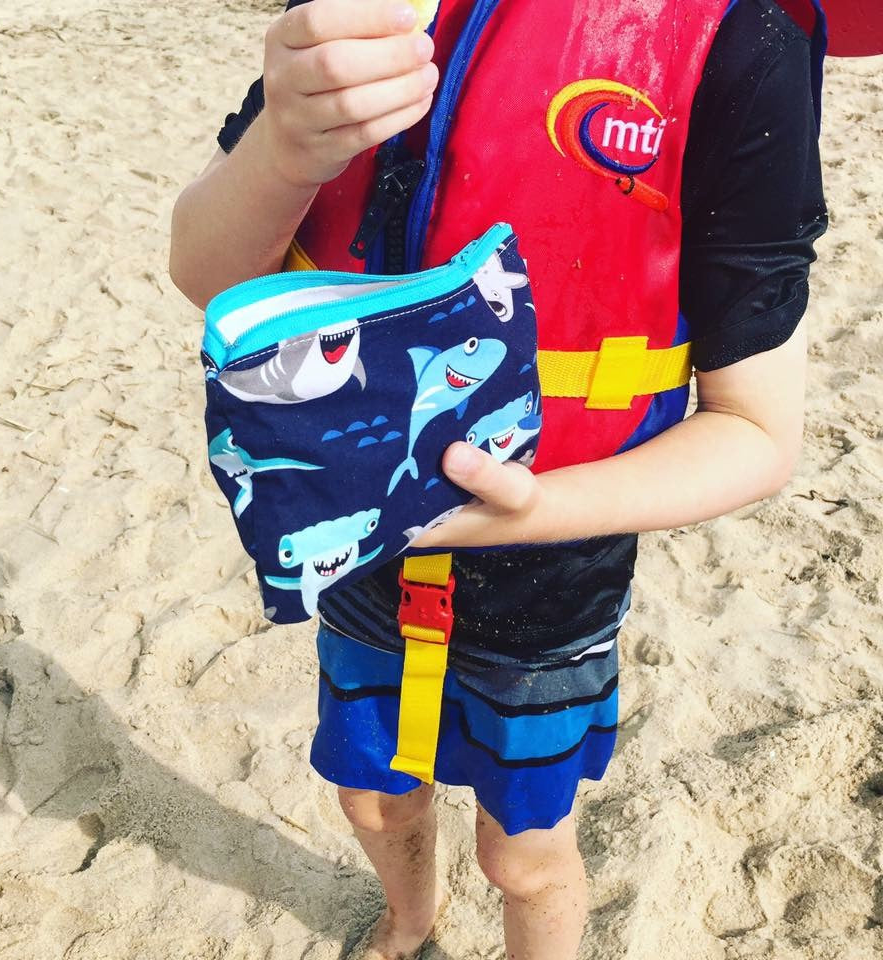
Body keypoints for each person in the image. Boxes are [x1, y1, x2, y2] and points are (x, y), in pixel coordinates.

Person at [169, 0, 827, 956]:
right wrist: (283, 141)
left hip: (556, 575)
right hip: (358, 544)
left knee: (524, 856)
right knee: (371, 796)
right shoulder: (365, 11)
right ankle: (409, 923)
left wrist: (543, 509)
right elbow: (205, 272)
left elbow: (760, 431)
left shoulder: (744, 38)